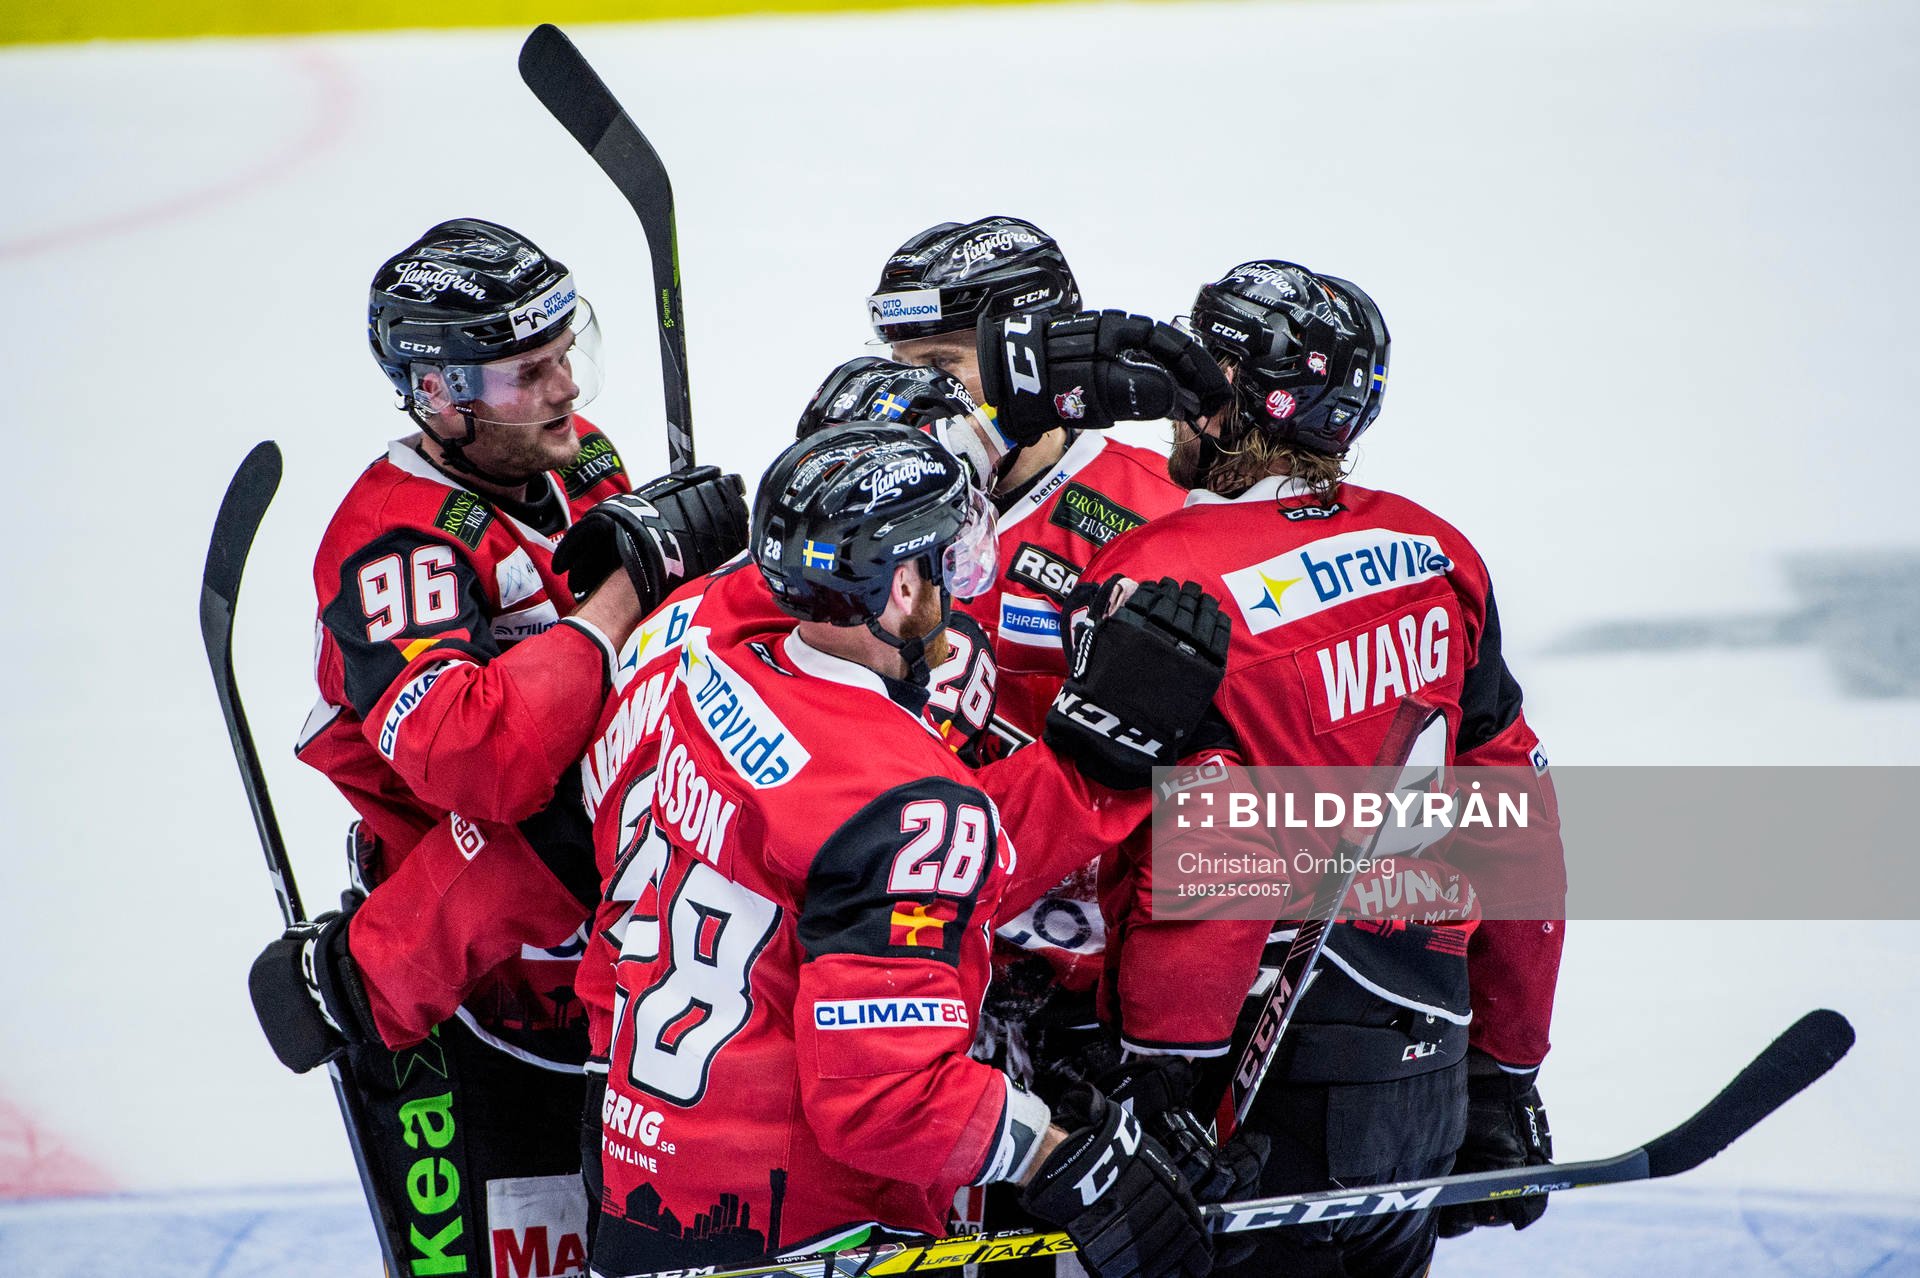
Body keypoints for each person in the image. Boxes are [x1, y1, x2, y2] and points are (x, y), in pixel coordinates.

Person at [583, 424, 1224, 1278]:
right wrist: (1068, 1158)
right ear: (898, 586)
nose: (961, 592)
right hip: (809, 1236)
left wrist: (1087, 766)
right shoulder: (903, 797)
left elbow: (855, 842)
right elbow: (884, 1100)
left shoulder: (718, 676)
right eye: (948, 565)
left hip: (645, 1189)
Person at [246, 217, 747, 1276]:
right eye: (531, 370)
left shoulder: (584, 458)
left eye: (569, 351)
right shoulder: (395, 544)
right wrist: (628, 593)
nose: (568, 386)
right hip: (475, 997)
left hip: (620, 964)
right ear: (441, 395)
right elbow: (483, 766)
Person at [1080, 261, 1567, 1278]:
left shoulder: (1161, 577)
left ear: (1229, 397)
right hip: (1420, 1072)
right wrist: (1505, 1072)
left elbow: (1212, 865)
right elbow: (1516, 816)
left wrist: (1159, 1093)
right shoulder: (1438, 553)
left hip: (1248, 1095)